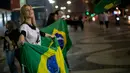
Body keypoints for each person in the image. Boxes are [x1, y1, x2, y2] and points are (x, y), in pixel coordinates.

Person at [18, 4, 59, 73]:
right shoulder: (24, 26)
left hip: (38, 54)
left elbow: (41, 33)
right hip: (32, 56)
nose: (30, 11)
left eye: (31, 9)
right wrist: (21, 41)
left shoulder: (34, 27)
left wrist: (51, 36)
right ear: (24, 14)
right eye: (27, 10)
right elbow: (22, 35)